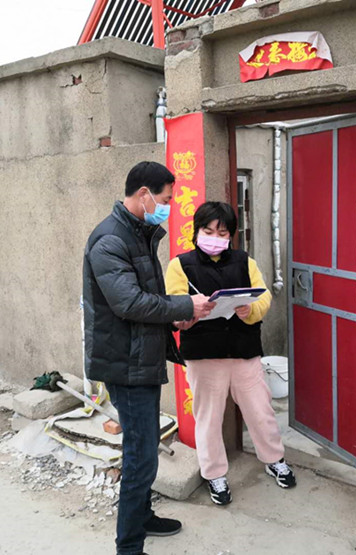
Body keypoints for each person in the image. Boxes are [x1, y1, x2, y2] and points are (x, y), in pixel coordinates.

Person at [82, 161, 216, 555]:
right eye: (165, 199)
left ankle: (142, 517)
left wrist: (178, 317)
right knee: (141, 457)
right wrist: (184, 305)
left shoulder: (137, 234)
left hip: (141, 357)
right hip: (124, 363)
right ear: (143, 195)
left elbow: (148, 300)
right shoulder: (110, 240)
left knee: (143, 449)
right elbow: (128, 303)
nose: (168, 207)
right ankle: (129, 546)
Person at [165, 201, 296, 506]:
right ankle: (214, 474)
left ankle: (274, 459)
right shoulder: (180, 265)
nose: (215, 238)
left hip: (243, 350)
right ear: (197, 231)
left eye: (222, 233)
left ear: (231, 235)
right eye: (208, 231)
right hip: (204, 354)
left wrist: (251, 309)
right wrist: (189, 313)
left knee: (260, 411)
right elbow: (174, 305)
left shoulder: (244, 261)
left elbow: (263, 297)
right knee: (208, 418)